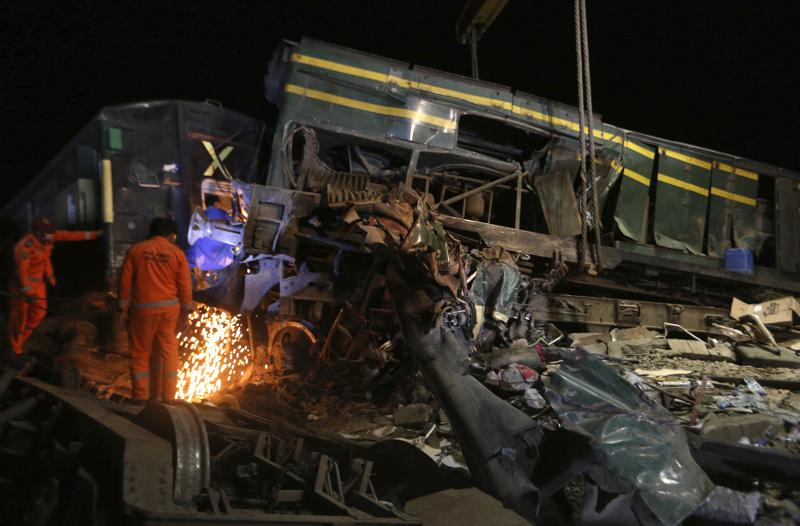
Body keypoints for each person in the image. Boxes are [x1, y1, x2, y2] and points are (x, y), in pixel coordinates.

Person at [117, 217, 193, 402]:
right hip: (169, 311)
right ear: (170, 235)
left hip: (142, 310)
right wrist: (187, 307)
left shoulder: (136, 250)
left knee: (140, 353)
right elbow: (184, 283)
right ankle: (168, 397)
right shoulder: (177, 253)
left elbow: (125, 282)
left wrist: (122, 307)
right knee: (169, 351)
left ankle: (140, 397)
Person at [8, 216, 101, 355]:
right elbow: (21, 272)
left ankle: (20, 342)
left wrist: (94, 234)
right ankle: (14, 350)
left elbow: (69, 235)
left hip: (39, 285)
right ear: (38, 233)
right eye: (48, 233)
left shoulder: (48, 237)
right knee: (18, 320)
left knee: (38, 314)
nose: (52, 236)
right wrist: (27, 293)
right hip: (21, 288)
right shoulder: (23, 247)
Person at [185, 194, 236, 272]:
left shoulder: (200, 217)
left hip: (203, 264)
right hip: (224, 261)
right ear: (217, 204)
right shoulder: (221, 213)